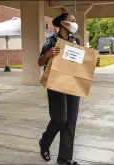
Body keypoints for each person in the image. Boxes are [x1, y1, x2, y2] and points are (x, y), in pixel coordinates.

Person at [38, 13, 100, 165]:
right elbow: (40, 62)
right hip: (56, 84)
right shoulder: (51, 41)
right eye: (72, 21)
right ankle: (44, 142)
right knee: (60, 119)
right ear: (63, 23)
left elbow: (81, 63)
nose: (75, 23)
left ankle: (64, 158)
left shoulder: (76, 41)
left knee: (70, 122)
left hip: (73, 85)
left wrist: (93, 62)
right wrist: (48, 54)